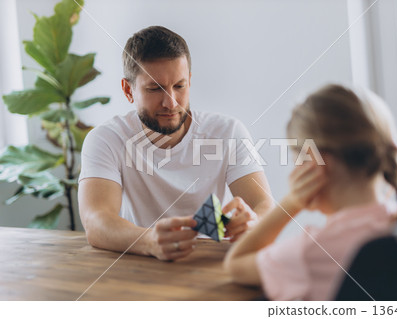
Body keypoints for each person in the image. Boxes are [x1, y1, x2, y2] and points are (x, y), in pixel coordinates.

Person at [78, 26, 273, 261]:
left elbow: (263, 204)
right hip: (140, 261)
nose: (170, 102)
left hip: (211, 262)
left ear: (189, 81)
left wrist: (253, 222)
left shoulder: (228, 131)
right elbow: (96, 221)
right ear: (128, 90)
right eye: (154, 89)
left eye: (179, 86)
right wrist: (150, 241)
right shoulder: (106, 139)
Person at [224, 84, 397, 300]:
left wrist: (291, 202)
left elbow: (236, 263)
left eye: (297, 160)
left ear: (313, 165)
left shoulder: (310, 253)